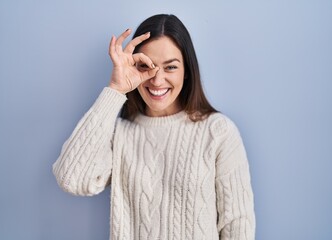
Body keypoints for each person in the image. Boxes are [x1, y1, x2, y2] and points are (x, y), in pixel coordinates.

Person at [53, 14, 255, 240]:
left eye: (170, 67)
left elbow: (237, 225)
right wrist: (116, 90)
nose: (157, 81)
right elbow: (70, 179)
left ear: (186, 70)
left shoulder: (218, 132)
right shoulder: (119, 133)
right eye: (145, 66)